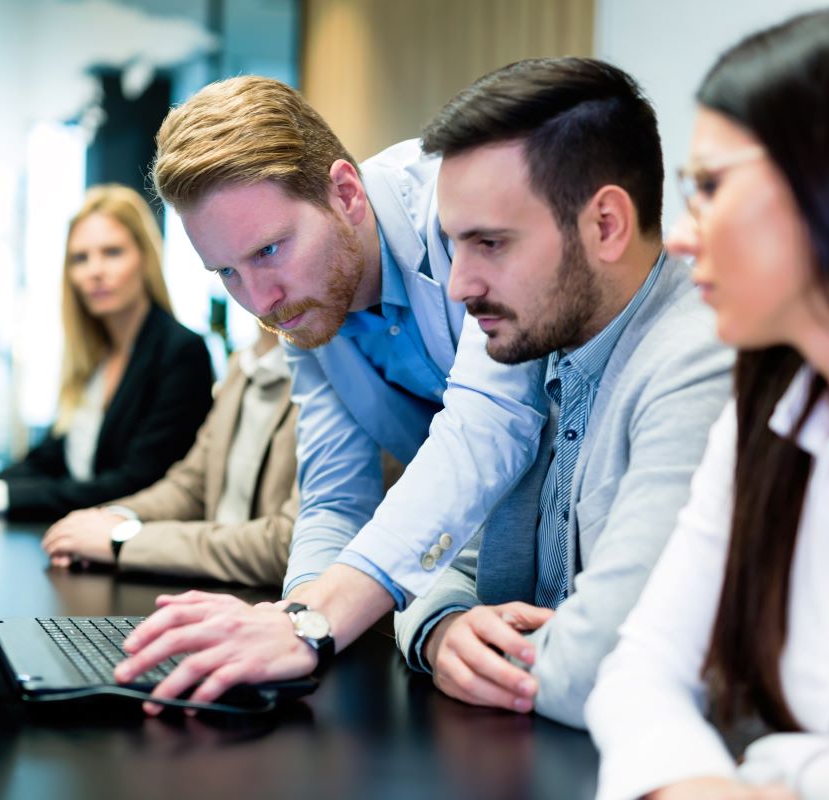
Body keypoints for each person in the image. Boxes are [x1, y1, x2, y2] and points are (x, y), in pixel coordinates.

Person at [585, 6, 829, 799]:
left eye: (711, 187)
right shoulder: (769, 409)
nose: (683, 235)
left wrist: (779, 768)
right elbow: (636, 675)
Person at [113, 76, 547, 709]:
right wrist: (293, 620)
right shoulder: (305, 307)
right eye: (226, 271)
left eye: (269, 250)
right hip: (468, 614)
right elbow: (335, 499)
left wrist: (312, 623)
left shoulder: (464, 220)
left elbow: (486, 432)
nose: (259, 301)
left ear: (345, 193)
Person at [393, 58, 732, 726]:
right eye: (453, 245)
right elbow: (427, 558)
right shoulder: (532, 342)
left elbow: (605, 668)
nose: (459, 286)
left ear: (605, 225)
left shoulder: (701, 359)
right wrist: (443, 630)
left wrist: (491, 658)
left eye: (490, 242)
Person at [0, 184, 214, 522]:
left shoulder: (181, 352)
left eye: (112, 252)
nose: (94, 271)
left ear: (144, 258)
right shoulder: (97, 355)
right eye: (80, 258)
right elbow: (51, 457)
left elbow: (135, 484)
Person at [39, 325, 298, 586]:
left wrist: (123, 539)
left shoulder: (323, 380)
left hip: (269, 601)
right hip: (216, 589)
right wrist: (116, 517)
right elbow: (191, 486)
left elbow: (287, 544)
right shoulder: (242, 368)